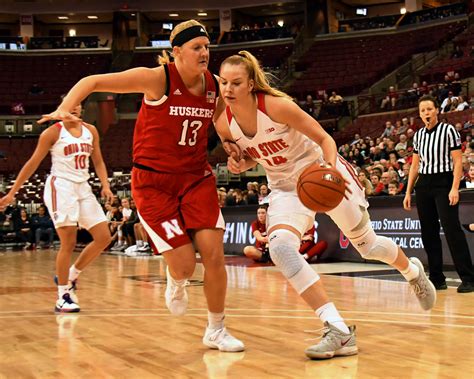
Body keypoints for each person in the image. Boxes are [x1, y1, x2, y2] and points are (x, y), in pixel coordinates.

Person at [37, 20, 243, 352]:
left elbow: (218, 115)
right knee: (186, 264)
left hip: (195, 177)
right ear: (176, 52)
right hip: (153, 182)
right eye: (197, 47)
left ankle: (216, 329)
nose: (205, 53)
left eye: (207, 46)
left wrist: (229, 141)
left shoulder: (213, 85)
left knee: (215, 254)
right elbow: (92, 81)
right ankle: (176, 281)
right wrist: (64, 108)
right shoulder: (157, 78)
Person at [215, 50, 436, 360]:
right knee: (279, 248)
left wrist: (330, 171)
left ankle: (412, 271)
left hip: (321, 172)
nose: (227, 89)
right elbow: (255, 153)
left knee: (368, 247)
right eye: (223, 82)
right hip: (285, 187)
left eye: (236, 82)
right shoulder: (223, 122)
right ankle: (338, 329)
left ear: (251, 84)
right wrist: (241, 163)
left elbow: (325, 140)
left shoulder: (277, 106)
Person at [0, 102, 113, 313]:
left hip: (83, 187)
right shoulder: (53, 132)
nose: (74, 108)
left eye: (78, 104)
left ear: (82, 108)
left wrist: (105, 185)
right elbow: (33, 162)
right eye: (70, 105)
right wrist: (12, 192)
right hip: (61, 187)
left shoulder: (91, 130)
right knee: (68, 242)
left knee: (104, 237)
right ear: (62, 108)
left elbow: (97, 160)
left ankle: (72, 274)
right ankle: (63, 295)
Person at [403, 95, 474, 293]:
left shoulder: (448, 130)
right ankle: (437, 278)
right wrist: (408, 191)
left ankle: (468, 278)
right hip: (424, 184)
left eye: (429, 109)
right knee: (429, 233)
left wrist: (454, 187)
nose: (426, 113)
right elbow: (415, 165)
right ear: (420, 114)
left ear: (437, 110)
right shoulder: (418, 136)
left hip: (444, 183)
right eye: (422, 110)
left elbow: (458, 161)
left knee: (452, 230)